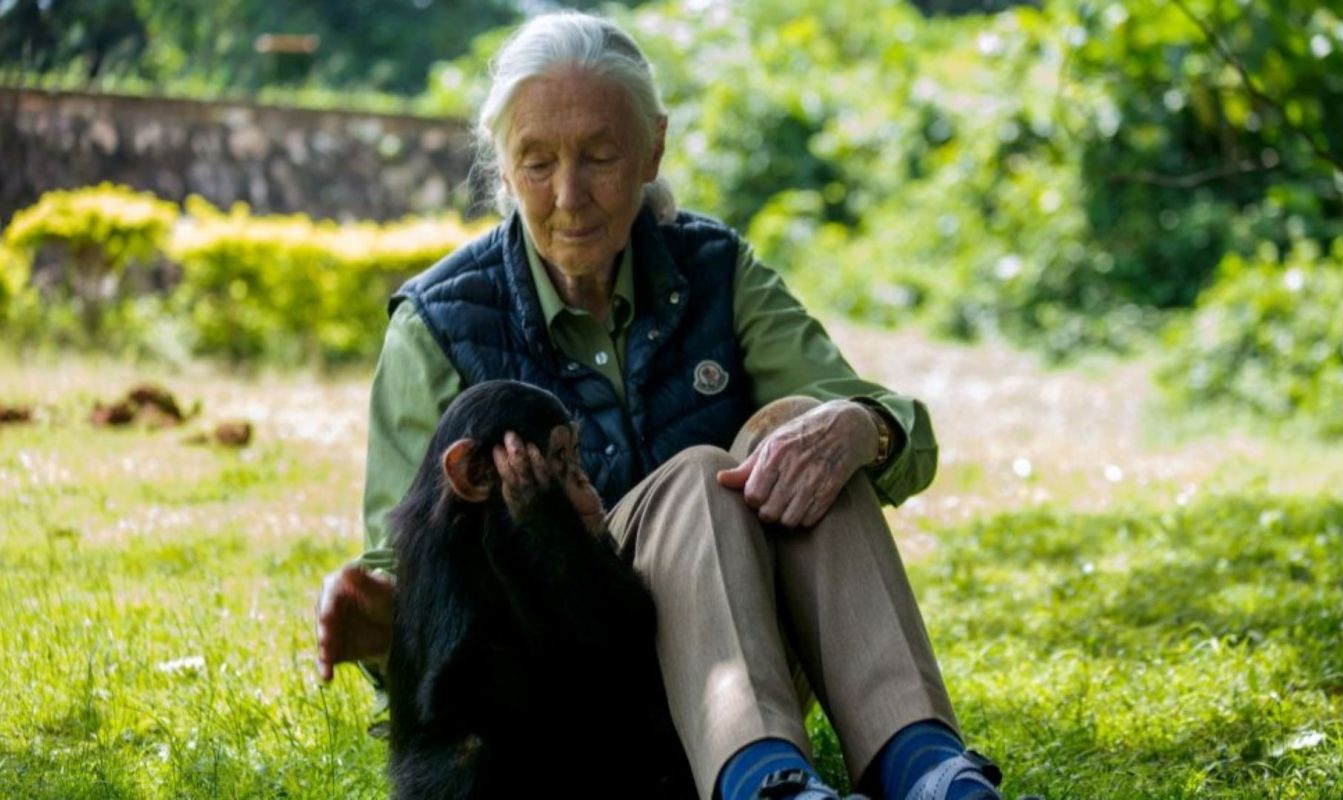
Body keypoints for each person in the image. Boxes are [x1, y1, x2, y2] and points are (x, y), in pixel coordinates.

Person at [316, 12, 1002, 800]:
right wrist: (381, 619)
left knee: (808, 431)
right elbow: (408, 584)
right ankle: (766, 784)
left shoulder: (717, 269)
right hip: (566, 696)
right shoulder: (438, 323)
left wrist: (862, 427)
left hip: (747, 647)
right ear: (503, 169)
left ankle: (928, 768)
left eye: (601, 156)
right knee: (700, 476)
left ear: (653, 149)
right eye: (537, 163)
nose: (569, 196)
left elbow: (890, 431)